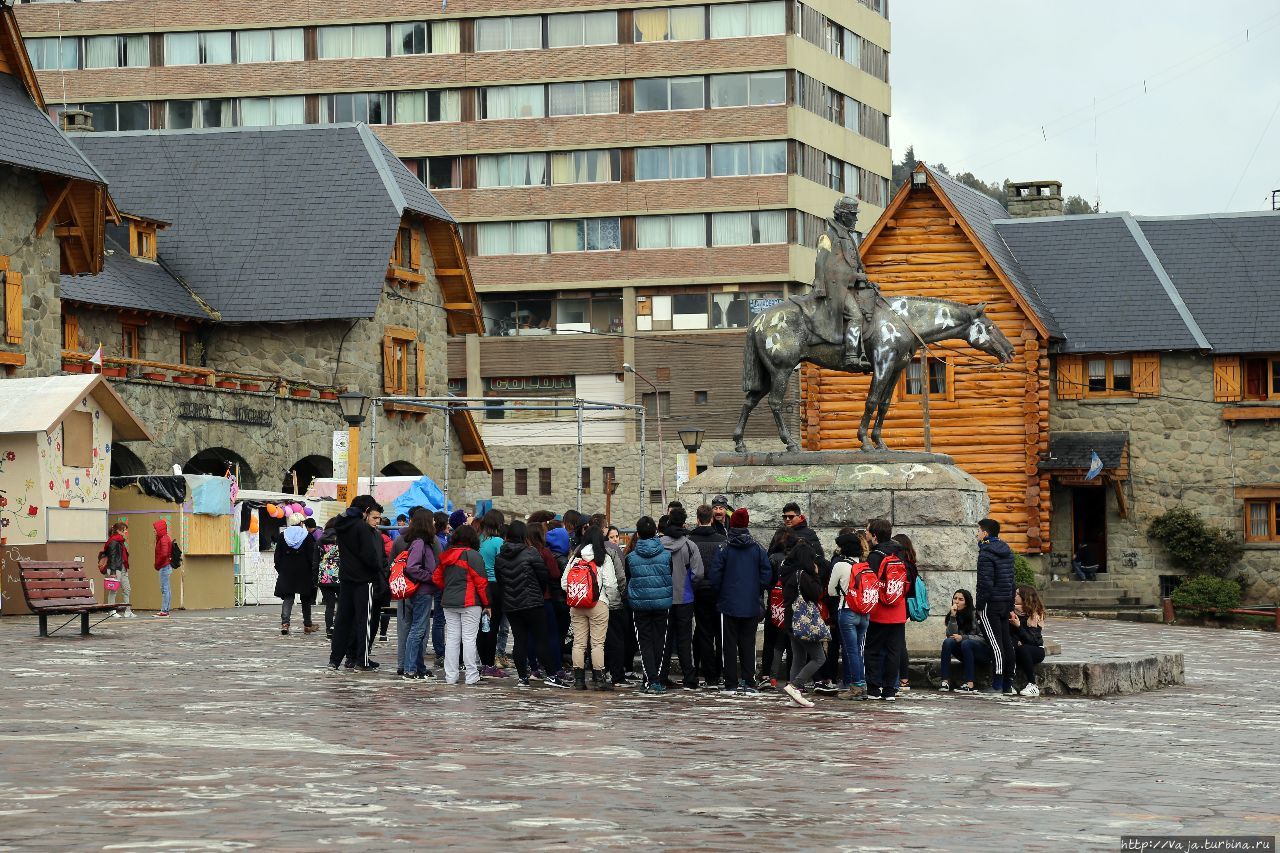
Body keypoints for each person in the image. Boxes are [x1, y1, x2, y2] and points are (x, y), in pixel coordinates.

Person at [495, 520, 569, 689]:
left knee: (520, 640)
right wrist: (538, 593)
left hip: (512, 605)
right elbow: (543, 577)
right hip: (533, 602)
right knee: (541, 639)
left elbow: (501, 582)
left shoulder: (500, 558)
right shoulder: (531, 553)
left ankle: (522, 677)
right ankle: (551, 674)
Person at [707, 507, 772, 694]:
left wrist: (721, 592)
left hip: (728, 603)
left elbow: (715, 575)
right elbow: (766, 574)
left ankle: (731, 683)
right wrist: (757, 590)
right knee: (748, 644)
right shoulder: (757, 548)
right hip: (750, 603)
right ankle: (749, 681)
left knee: (728, 645)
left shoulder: (725, 547)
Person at [327, 496, 386, 672]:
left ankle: (334, 660)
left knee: (343, 620)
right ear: (366, 511)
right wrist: (377, 568)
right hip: (364, 580)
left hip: (346, 578)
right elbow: (369, 556)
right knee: (364, 622)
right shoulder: (362, 527)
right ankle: (362, 660)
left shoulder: (341, 524)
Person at [431, 525, 490, 686]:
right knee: (469, 639)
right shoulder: (473, 556)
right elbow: (481, 583)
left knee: (452, 639)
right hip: (470, 602)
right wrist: (487, 603)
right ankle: (471, 675)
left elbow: (436, 578)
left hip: (449, 602)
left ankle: (451, 676)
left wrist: (449, 588)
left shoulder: (445, 555)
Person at [564, 525, 619, 690]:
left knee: (579, 643)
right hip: (598, 604)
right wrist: (614, 601)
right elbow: (610, 584)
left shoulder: (575, 558)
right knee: (597, 644)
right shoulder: (604, 558)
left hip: (576, 604)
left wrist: (578, 593)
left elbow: (564, 583)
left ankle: (579, 680)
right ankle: (600, 680)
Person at [626, 516, 673, 694]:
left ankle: (650, 679)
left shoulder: (630, 558)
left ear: (637, 534)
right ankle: (656, 679)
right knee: (660, 641)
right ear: (655, 532)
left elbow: (629, 580)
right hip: (662, 602)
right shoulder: (666, 555)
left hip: (640, 604)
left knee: (644, 642)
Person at [659, 506, 704, 689]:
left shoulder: (659, 544)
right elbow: (698, 573)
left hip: (663, 597)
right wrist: (688, 585)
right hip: (684, 598)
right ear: (684, 523)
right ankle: (689, 677)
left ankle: (661, 675)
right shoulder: (689, 545)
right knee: (685, 639)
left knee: (664, 640)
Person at [865, 517, 907, 701]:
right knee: (894, 652)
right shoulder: (900, 552)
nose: (865, 535)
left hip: (879, 611)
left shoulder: (875, 556)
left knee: (872, 650)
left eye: (867, 532)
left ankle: (874, 688)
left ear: (874, 536)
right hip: (898, 609)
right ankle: (890, 690)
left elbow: (870, 583)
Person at [782, 541, 827, 708]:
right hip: (803, 622)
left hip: (791, 621)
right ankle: (795, 686)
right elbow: (817, 594)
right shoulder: (803, 575)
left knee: (799, 658)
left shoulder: (789, 573)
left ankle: (794, 695)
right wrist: (816, 575)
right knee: (819, 657)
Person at [975, 518, 1016, 695]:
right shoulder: (1007, 551)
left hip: (991, 603)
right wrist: (1011, 603)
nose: (976, 534)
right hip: (1005, 601)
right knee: (1006, 642)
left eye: (978, 530)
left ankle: (998, 684)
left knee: (995, 643)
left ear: (985, 533)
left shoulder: (986, 554)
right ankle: (1008, 683)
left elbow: (985, 583)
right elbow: (1012, 581)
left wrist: (980, 604)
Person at [688, 504, 726, 689]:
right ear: (711, 518)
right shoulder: (722, 540)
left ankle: (708, 674)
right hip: (717, 590)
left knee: (703, 632)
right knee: (719, 632)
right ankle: (717, 672)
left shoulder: (690, 540)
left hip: (697, 590)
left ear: (697, 519)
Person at [829, 529, 870, 701]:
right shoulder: (864, 565)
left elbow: (831, 591)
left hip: (847, 611)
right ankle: (862, 685)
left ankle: (856, 688)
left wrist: (842, 590)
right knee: (859, 651)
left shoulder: (840, 565)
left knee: (851, 651)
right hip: (864, 613)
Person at [399, 511, 440, 680]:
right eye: (432, 520)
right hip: (421, 591)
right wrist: (430, 578)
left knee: (420, 631)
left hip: (423, 590)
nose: (434, 523)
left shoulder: (421, 543)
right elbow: (412, 567)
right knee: (417, 630)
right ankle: (410, 668)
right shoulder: (420, 543)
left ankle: (419, 667)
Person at [526, 522, 566, 681]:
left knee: (531, 634)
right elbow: (555, 574)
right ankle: (556, 667)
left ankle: (534, 668)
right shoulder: (545, 552)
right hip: (545, 597)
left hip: (527, 599)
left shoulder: (525, 552)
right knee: (552, 634)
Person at [275, 512, 318, 636]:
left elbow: (277, 555)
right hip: (304, 571)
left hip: (287, 571)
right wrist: (313, 572)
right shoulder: (308, 536)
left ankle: (285, 624)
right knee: (306, 599)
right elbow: (312, 556)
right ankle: (307, 625)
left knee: (288, 597)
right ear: (301, 523)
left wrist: (281, 569)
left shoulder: (283, 536)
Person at [939, 589, 989, 693]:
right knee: (947, 642)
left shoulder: (976, 615)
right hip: (965, 651)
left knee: (967, 643)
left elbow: (984, 638)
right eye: (955, 598)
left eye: (960, 599)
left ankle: (969, 684)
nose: (956, 602)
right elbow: (950, 635)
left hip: (981, 652)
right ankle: (945, 681)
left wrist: (964, 637)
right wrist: (953, 617)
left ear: (967, 603)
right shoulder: (953, 615)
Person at [476, 509, 508, 676]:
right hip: (495, 586)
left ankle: (484, 663)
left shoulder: (479, 540)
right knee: (493, 627)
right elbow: (503, 565)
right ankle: (490, 665)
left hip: (480, 585)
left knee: (483, 626)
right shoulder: (498, 542)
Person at [892, 532, 920, 693]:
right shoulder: (911, 563)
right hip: (905, 606)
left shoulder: (900, 564)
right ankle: (904, 678)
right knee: (900, 642)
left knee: (897, 643)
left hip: (898, 604)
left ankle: (901, 678)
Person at [1010, 585, 1046, 697]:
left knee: (1023, 648)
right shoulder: (1011, 612)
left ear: (1024, 597)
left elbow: (1033, 641)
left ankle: (1032, 685)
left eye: (1017, 594)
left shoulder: (1034, 615)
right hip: (1017, 649)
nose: (1014, 596)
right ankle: (1008, 683)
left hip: (1035, 650)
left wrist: (1018, 626)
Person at [316, 518, 340, 638]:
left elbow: (315, 561)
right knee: (341, 603)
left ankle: (328, 629)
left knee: (329, 605)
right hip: (339, 576)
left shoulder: (320, 540)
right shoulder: (342, 539)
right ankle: (337, 625)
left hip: (324, 576)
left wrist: (315, 578)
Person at [104, 521, 133, 617]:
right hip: (115, 568)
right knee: (113, 589)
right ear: (118, 531)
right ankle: (112, 611)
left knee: (127, 589)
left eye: (126, 530)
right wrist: (112, 572)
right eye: (124, 530)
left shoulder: (120, 541)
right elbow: (112, 557)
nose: (126, 532)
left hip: (122, 568)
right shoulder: (113, 542)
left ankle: (128, 611)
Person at [153, 519, 174, 618]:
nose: (154, 531)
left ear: (159, 529)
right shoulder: (164, 538)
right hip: (166, 565)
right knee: (166, 588)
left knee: (165, 589)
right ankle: (165, 610)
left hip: (164, 566)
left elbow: (164, 554)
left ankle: (164, 610)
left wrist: (157, 564)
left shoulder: (163, 539)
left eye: (155, 529)